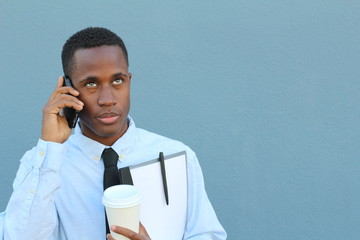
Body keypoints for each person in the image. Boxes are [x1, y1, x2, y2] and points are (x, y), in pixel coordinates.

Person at [0, 27, 226, 240]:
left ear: (129, 81)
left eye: (117, 81)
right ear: (67, 89)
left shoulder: (176, 156)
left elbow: (207, 234)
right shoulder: (43, 163)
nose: (107, 99)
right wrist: (50, 146)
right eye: (90, 84)